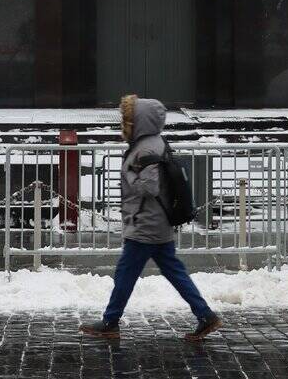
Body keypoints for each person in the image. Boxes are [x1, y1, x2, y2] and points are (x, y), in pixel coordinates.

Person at [81, 95, 222, 342]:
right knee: (174, 271)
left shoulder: (146, 148)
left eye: (128, 118)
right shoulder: (152, 142)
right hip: (156, 222)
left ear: (139, 121)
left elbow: (149, 186)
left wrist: (128, 178)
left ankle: (110, 321)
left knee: (126, 273)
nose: (124, 123)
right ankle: (205, 314)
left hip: (146, 224)